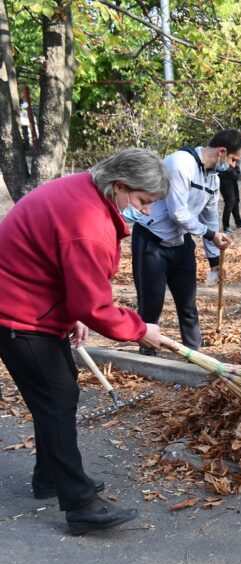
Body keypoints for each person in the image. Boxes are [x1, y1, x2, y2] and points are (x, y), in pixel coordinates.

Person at [0, 148, 167, 535]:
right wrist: (141, 330)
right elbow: (94, 303)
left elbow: (62, 269)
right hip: (18, 313)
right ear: (119, 186)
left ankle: (50, 479)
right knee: (57, 400)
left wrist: (71, 313)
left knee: (57, 397)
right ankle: (80, 503)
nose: (144, 212)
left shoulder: (85, 193)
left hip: (34, 305)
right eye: (142, 201)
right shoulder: (87, 221)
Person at [130, 130, 241, 352]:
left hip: (181, 244)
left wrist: (213, 260)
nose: (233, 166)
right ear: (222, 152)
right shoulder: (180, 164)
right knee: (151, 305)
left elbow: (209, 219)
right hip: (152, 243)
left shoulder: (213, 179)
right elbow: (177, 213)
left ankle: (195, 355)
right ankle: (147, 355)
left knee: (188, 304)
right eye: (233, 160)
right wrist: (210, 235)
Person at [218, 153, 241, 233]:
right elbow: (222, 166)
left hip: (233, 178)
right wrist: (233, 171)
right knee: (230, 201)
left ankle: (238, 222)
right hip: (224, 178)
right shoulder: (227, 150)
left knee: (236, 200)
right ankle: (226, 227)